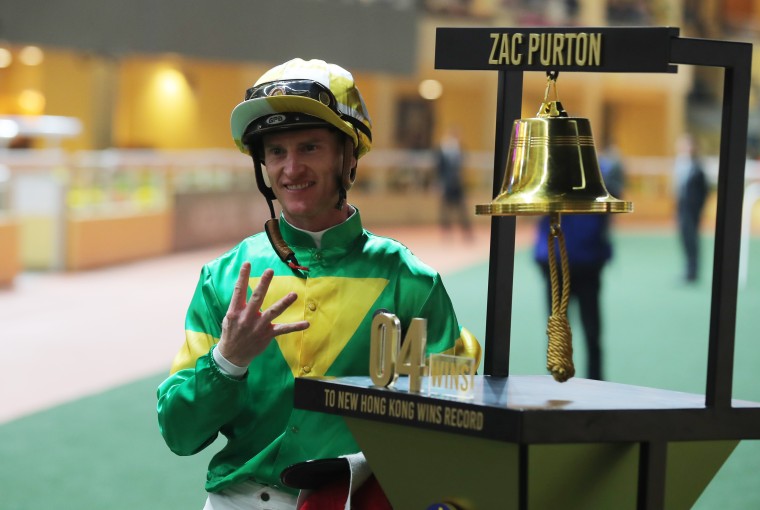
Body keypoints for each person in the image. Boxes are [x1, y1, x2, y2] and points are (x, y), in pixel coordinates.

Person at [156, 58, 479, 510]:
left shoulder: (412, 282)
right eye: (276, 152)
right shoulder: (224, 279)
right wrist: (227, 362)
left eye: (309, 148)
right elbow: (180, 433)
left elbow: (456, 423)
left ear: (348, 156)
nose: (291, 169)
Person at [532, 144, 625, 381]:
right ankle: (590, 381)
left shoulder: (555, 175)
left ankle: (587, 381)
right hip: (581, 262)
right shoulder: (596, 177)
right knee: (571, 333)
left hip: (577, 263)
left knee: (570, 332)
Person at [673, 133, 708, 283]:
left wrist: (697, 207)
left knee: (692, 239)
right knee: (685, 238)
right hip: (682, 206)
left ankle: (693, 271)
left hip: (692, 209)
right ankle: (688, 269)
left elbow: (703, 190)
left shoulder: (697, 166)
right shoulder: (680, 163)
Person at [435, 126, 472, 241]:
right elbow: (439, 168)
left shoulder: (460, 148)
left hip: (458, 184)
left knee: (462, 209)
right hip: (446, 184)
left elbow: (462, 165)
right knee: (445, 210)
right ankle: (446, 233)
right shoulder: (442, 149)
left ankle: (467, 232)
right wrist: (439, 183)